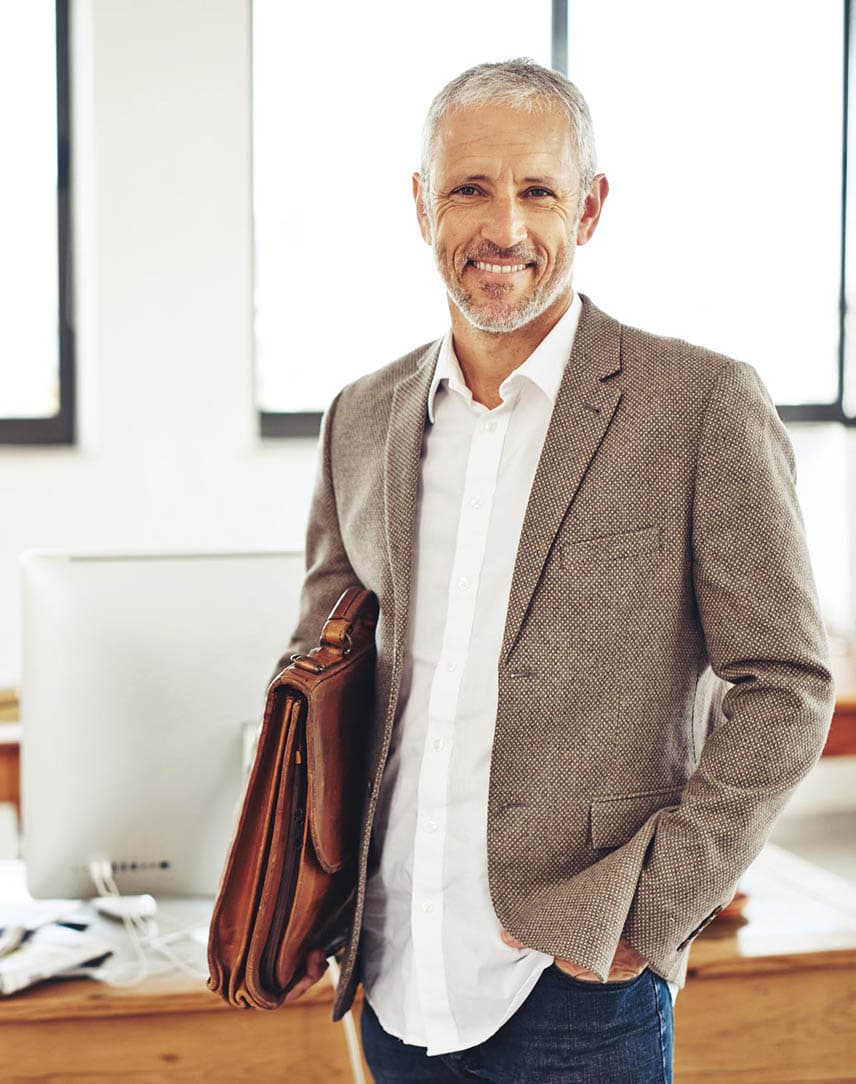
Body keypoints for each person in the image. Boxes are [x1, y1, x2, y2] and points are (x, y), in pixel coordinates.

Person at [275, 58, 835, 1083]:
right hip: (390, 983)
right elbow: (322, 667)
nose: (504, 228)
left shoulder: (698, 404)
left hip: (575, 986)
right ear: (418, 204)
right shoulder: (361, 417)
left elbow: (787, 685)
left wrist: (648, 912)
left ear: (589, 207)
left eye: (536, 189)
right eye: (468, 188)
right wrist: (310, 897)